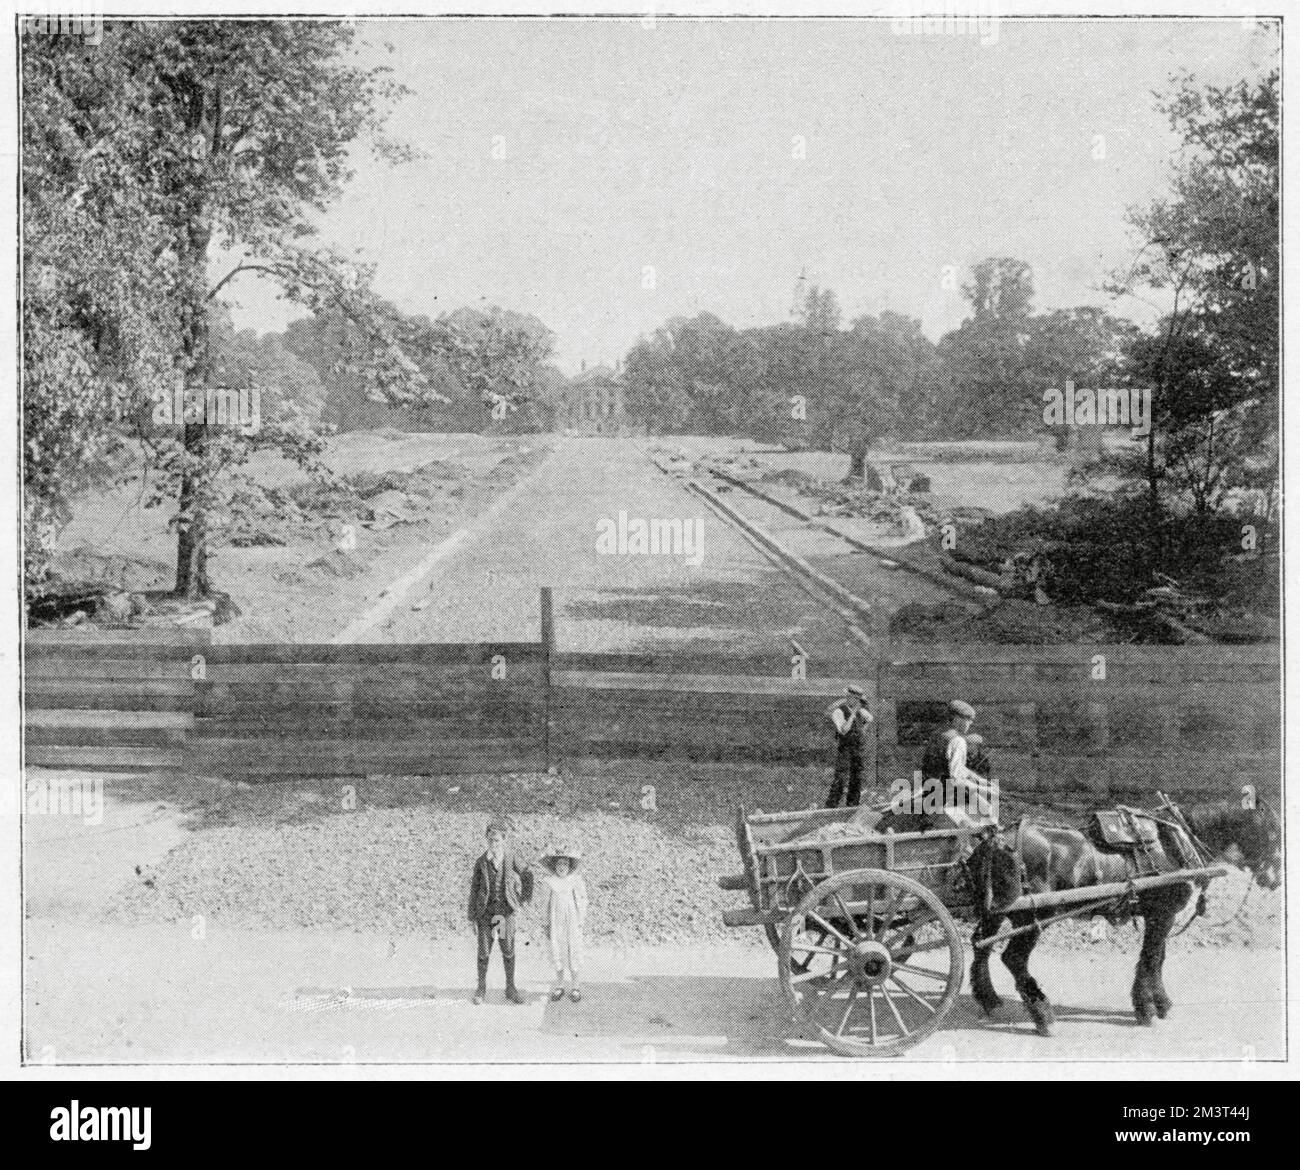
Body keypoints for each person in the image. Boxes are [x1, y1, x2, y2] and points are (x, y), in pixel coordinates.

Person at [467, 820, 534, 1005]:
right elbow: (474, 889)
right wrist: (472, 916)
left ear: (504, 840)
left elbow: (527, 874)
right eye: (490, 840)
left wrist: (522, 898)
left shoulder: (511, 858)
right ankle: (481, 988)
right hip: (486, 915)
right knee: (484, 952)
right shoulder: (481, 862)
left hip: (503, 915)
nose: (493, 844)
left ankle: (510, 988)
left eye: (497, 840)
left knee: (508, 950)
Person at [917, 700, 996, 824]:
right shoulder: (958, 741)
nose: (970, 723)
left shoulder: (939, 736)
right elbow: (956, 780)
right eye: (968, 719)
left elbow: (951, 766)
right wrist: (983, 789)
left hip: (929, 791)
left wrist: (978, 779)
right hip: (945, 796)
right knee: (988, 810)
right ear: (956, 719)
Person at [540, 844, 588, 1003]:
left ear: (570, 866)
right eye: (559, 864)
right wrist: (546, 923)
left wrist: (580, 921)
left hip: (572, 921)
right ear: (554, 866)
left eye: (565, 864)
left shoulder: (575, 881)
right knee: (557, 950)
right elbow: (545, 904)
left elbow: (582, 900)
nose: (562, 867)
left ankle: (575, 986)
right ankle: (559, 985)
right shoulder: (549, 882)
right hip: (556, 921)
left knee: (573, 950)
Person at [824, 684, 874, 808]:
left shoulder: (860, 710)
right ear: (848, 697)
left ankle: (852, 806)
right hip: (845, 748)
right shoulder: (838, 711)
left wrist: (863, 729)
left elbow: (870, 719)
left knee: (857, 778)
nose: (857, 702)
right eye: (855, 699)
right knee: (841, 778)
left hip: (858, 748)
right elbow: (844, 730)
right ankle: (831, 807)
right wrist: (853, 714)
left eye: (859, 700)